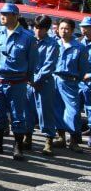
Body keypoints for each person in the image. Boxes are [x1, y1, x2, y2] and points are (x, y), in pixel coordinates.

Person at [0, 2, 38, 159]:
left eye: (6, 14)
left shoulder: (28, 37)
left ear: (15, 16)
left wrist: (28, 79)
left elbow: (32, 61)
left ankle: (18, 146)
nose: (2, 16)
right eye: (1, 13)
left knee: (18, 115)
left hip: (17, 82)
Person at [27, 15, 62, 156]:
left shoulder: (52, 44)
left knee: (45, 112)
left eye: (41, 28)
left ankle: (48, 140)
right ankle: (27, 137)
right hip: (28, 82)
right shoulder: (29, 40)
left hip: (44, 82)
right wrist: (29, 78)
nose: (37, 31)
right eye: (36, 27)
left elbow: (49, 65)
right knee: (27, 110)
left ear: (47, 29)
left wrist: (36, 79)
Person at [53, 17, 89, 152]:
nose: (63, 31)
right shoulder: (55, 44)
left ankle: (74, 140)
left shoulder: (80, 47)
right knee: (57, 109)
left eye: (66, 29)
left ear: (73, 30)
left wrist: (75, 80)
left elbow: (84, 69)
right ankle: (61, 137)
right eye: (61, 28)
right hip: (55, 79)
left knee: (73, 111)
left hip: (70, 82)